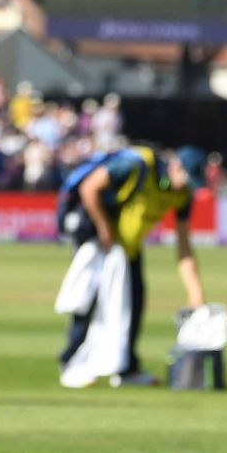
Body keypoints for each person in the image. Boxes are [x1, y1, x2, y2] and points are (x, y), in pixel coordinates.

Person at [53, 145, 209, 388]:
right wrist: (105, 230)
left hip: (128, 247)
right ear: (175, 166)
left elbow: (184, 246)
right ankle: (71, 362)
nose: (186, 187)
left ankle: (126, 369)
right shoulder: (136, 166)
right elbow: (89, 188)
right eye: (186, 179)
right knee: (89, 299)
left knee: (134, 300)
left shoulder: (182, 195)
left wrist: (195, 292)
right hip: (98, 236)